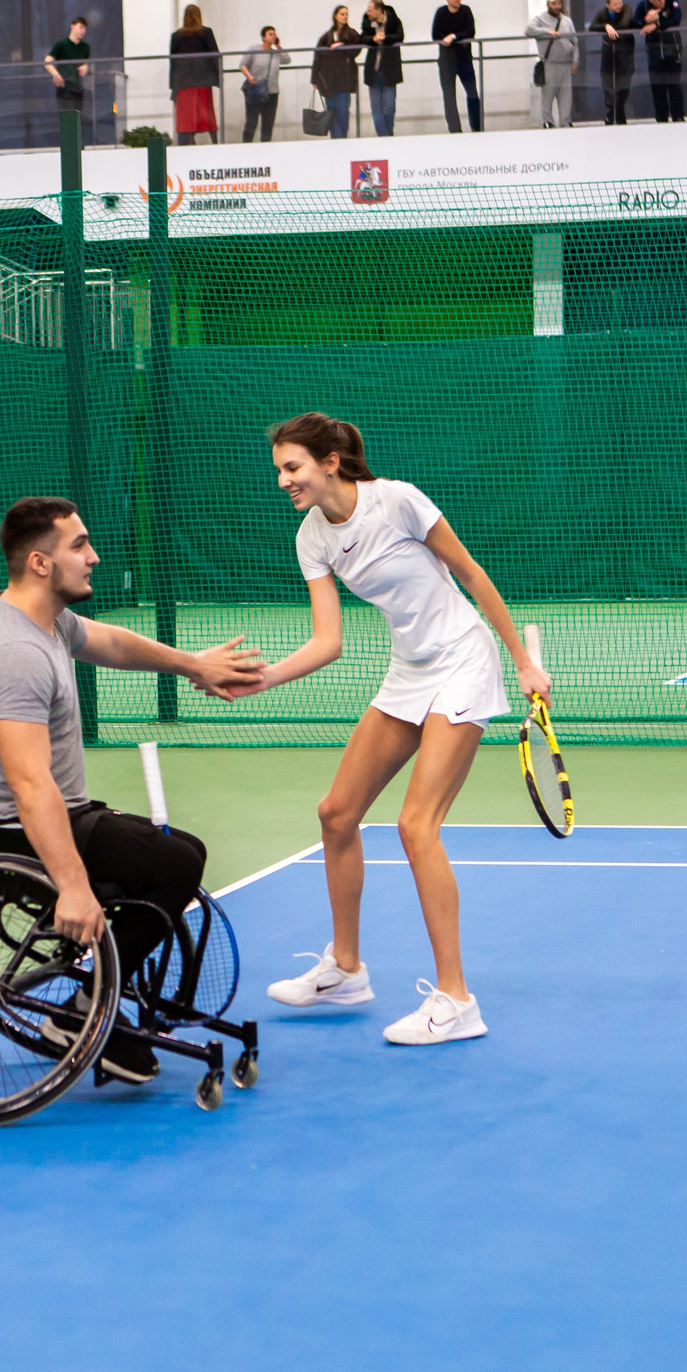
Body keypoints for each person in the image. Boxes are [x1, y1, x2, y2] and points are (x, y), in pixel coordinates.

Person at [241, 414, 549, 1048]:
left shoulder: (397, 501)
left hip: (463, 660)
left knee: (416, 824)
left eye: (292, 467)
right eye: (279, 469)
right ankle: (347, 970)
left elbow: (470, 572)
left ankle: (457, 999)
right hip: (409, 671)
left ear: (329, 461)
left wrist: (523, 660)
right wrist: (262, 678)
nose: (283, 481)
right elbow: (328, 643)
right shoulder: (312, 538)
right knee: (336, 813)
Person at [0, 497, 265, 1085]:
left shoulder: (47, 621)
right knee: (173, 864)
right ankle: (86, 1007)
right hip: (4, 831)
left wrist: (192, 665)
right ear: (41, 563)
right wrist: (71, 887)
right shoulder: (15, 653)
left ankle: (94, 1001)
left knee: (180, 851)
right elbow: (28, 781)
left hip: (55, 811)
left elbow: (110, 643)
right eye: (79, 546)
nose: (93, 557)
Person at [168, 4, 222, 145]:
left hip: (184, 82)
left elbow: (173, 61)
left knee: (187, 116)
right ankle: (215, 142)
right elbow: (215, 55)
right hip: (203, 80)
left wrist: (173, 85)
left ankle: (191, 143)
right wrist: (218, 78)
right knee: (206, 112)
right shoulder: (206, 33)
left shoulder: (177, 36)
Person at [431, 0, 482, 132]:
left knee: (472, 92)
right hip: (447, 61)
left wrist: (453, 36)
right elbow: (435, 34)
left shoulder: (465, 10)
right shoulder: (441, 12)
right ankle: (455, 129)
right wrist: (453, 37)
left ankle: (476, 127)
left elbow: (470, 31)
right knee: (449, 96)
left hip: (464, 59)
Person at [525, 0, 576, 128]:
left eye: (559, 3)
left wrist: (574, 61)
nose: (557, 6)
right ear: (548, 4)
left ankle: (565, 121)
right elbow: (528, 30)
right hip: (550, 64)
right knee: (547, 95)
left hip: (565, 63)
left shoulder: (567, 21)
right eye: (554, 3)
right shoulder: (540, 20)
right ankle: (548, 121)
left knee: (566, 95)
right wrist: (547, 32)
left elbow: (574, 41)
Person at [313, 5, 364, 138]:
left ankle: (342, 137)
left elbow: (356, 50)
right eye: (342, 14)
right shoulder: (326, 36)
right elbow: (317, 57)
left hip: (344, 79)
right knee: (331, 111)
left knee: (343, 110)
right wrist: (314, 79)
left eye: (346, 14)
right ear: (336, 16)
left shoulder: (352, 34)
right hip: (328, 79)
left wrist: (342, 45)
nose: (345, 16)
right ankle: (336, 138)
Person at [640, 0, 685, 121]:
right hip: (655, 56)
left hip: (672, 54)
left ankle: (678, 117)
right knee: (658, 89)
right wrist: (646, 21)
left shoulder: (672, 2)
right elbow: (637, 23)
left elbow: (676, 20)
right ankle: (661, 119)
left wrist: (657, 23)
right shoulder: (644, 7)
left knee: (674, 86)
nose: (661, 0)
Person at [362, 0, 405, 137]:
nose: (368, 13)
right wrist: (373, 39)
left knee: (390, 105)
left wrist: (384, 38)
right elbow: (362, 38)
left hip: (390, 70)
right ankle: (383, 135)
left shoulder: (394, 21)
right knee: (376, 106)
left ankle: (388, 131)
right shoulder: (367, 22)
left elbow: (399, 36)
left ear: (379, 10)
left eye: (370, 10)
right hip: (373, 71)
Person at [590, 0, 634, 124]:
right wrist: (606, 26)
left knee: (624, 82)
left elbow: (623, 25)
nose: (618, 6)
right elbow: (592, 27)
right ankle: (614, 110)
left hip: (625, 51)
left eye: (619, 2)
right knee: (607, 79)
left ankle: (616, 111)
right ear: (608, 5)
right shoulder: (603, 13)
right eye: (615, 5)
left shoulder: (627, 9)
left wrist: (609, 27)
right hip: (609, 51)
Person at [46, 15, 93, 132]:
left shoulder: (85, 47)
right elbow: (47, 61)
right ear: (72, 27)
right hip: (65, 86)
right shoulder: (61, 45)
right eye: (80, 27)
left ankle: (77, 146)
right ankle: (69, 146)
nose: (83, 31)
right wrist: (55, 74)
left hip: (78, 87)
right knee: (68, 119)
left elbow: (85, 63)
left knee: (78, 120)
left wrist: (85, 67)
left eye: (84, 28)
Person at [240, 26, 282, 142]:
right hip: (256, 90)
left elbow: (287, 59)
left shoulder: (276, 53)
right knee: (251, 122)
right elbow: (243, 65)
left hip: (272, 92)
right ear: (263, 37)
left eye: (274, 34)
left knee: (268, 124)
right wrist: (249, 77)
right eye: (270, 34)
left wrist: (278, 46)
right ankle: (246, 147)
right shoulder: (254, 50)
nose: (273, 36)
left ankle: (265, 148)